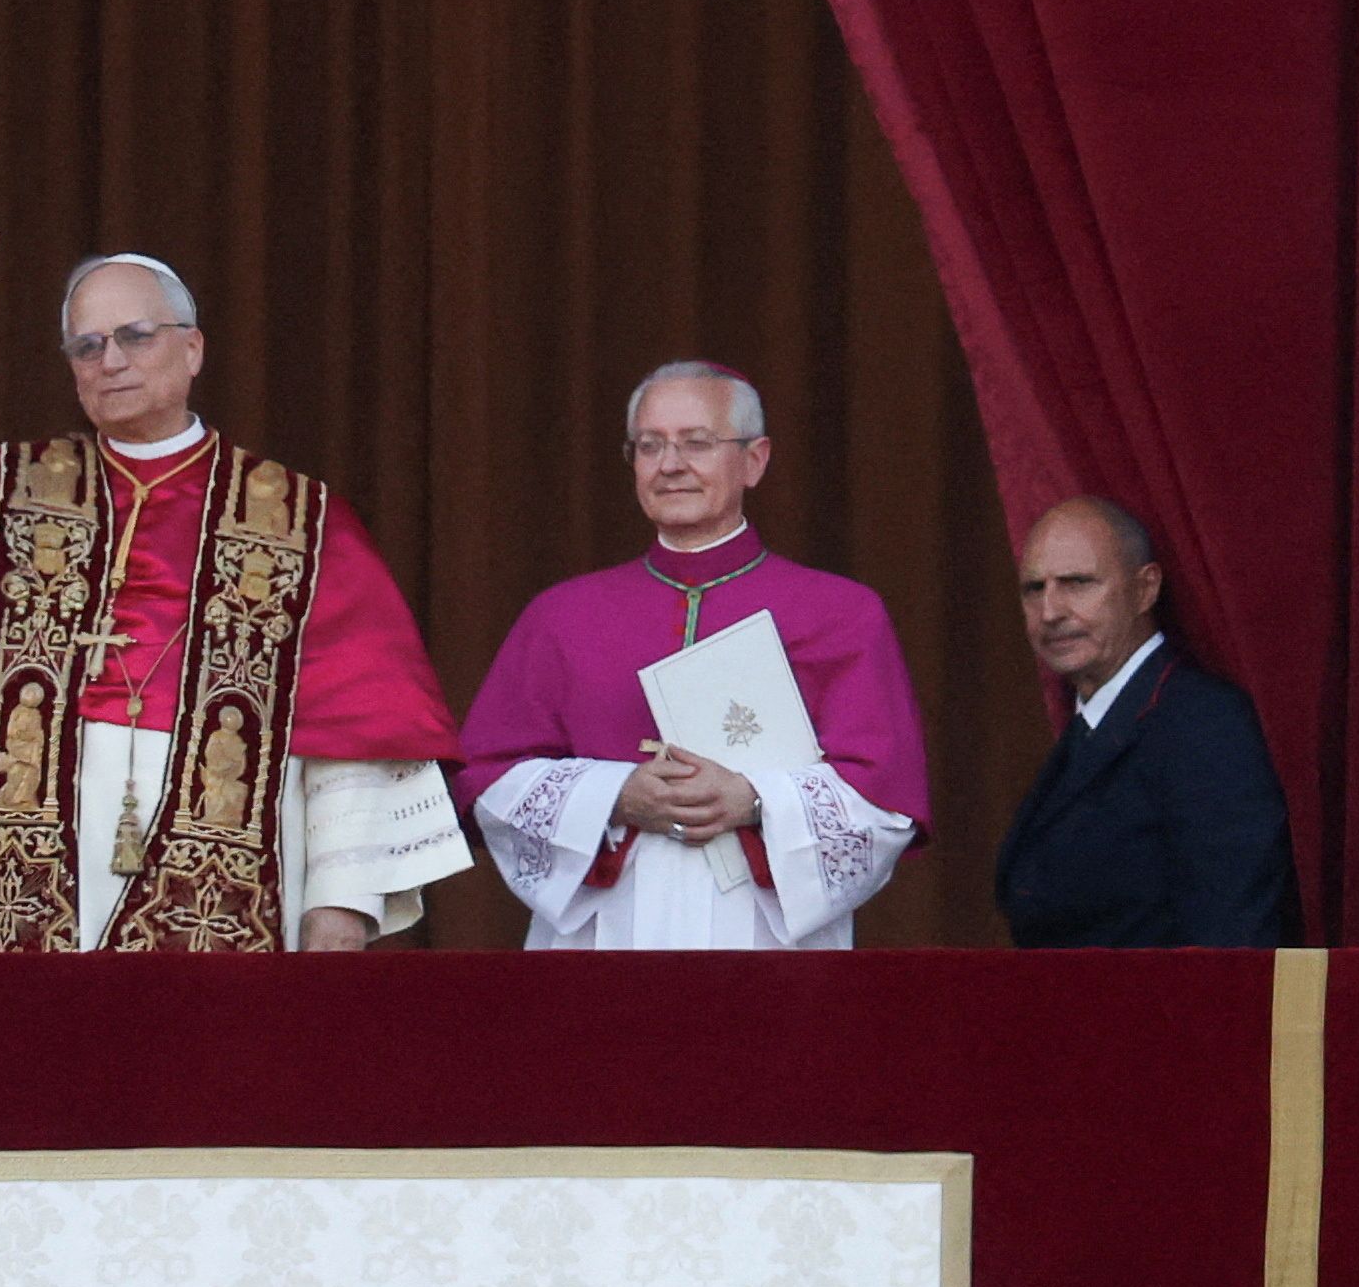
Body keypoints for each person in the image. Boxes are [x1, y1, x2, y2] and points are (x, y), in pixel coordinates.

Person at [0, 218, 469, 952]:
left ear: (192, 347)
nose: (109, 359)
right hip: (47, 879)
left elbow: (359, 730)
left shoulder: (298, 520)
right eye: (87, 345)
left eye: (135, 335)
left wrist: (338, 911)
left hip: (241, 887)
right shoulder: (18, 496)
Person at [456, 362, 928, 949]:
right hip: (605, 932)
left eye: (696, 444)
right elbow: (483, 779)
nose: (670, 465)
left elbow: (882, 795)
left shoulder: (840, 612)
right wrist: (616, 793)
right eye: (649, 446)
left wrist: (751, 797)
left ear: (755, 460)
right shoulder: (562, 615)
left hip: (766, 935)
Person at [995, 495, 1296, 947]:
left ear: (1145, 589)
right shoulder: (1088, 729)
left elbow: (1232, 938)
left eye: (1078, 583)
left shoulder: (1203, 726)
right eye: (1034, 588)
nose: (1050, 611)